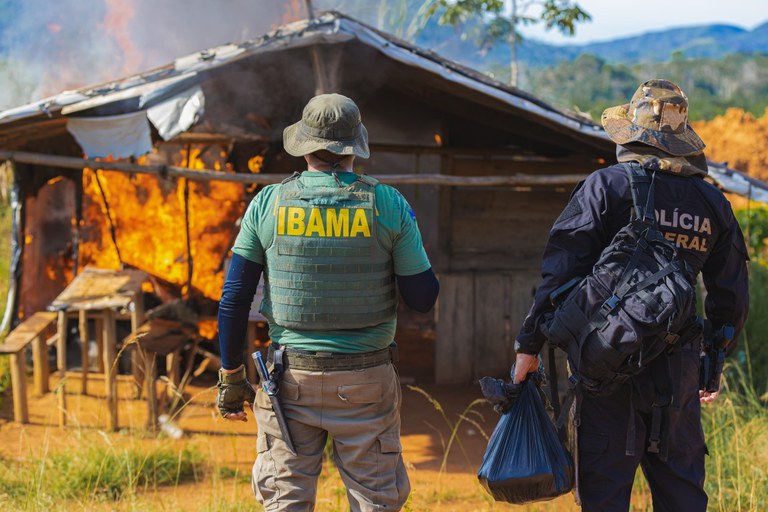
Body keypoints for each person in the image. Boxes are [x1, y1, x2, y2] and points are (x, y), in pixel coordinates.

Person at [511, 79, 749, 511]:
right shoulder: (713, 203)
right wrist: (711, 364)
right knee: (682, 494)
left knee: (604, 495)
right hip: (678, 374)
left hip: (605, 366)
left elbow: (559, 274)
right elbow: (730, 296)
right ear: (679, 140)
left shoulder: (605, 187)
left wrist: (529, 347)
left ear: (633, 132)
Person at [215, 93, 439, 511]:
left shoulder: (267, 203)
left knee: (285, 503)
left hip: (289, 382)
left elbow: (233, 300)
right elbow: (423, 299)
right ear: (356, 145)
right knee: (376, 501)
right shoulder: (388, 203)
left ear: (304, 144)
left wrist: (231, 379)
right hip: (367, 383)